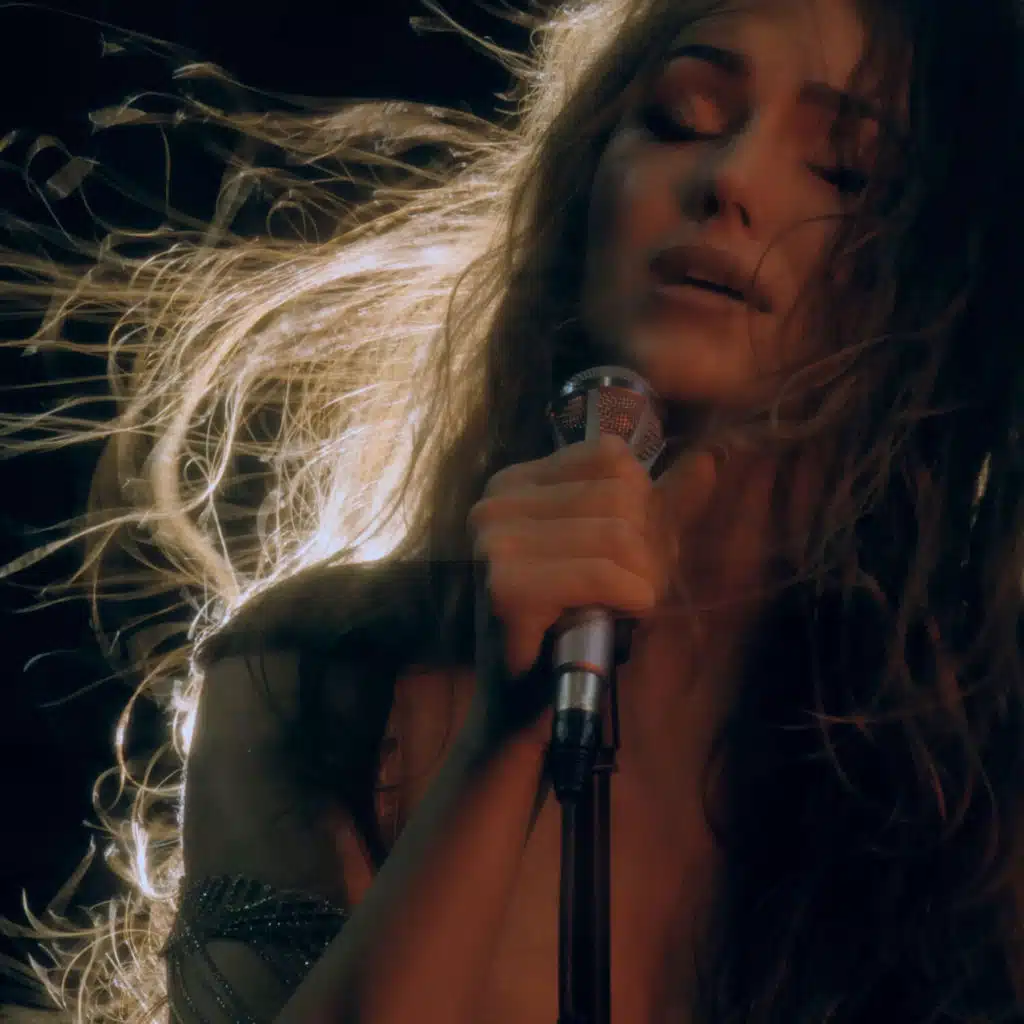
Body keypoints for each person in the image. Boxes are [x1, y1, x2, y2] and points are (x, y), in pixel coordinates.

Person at [0, 0, 1022, 1020]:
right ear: (583, 185)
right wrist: (504, 738)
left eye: (845, 171)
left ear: (954, 282)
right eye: (681, 118)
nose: (730, 180)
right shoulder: (317, 676)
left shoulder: (978, 771)